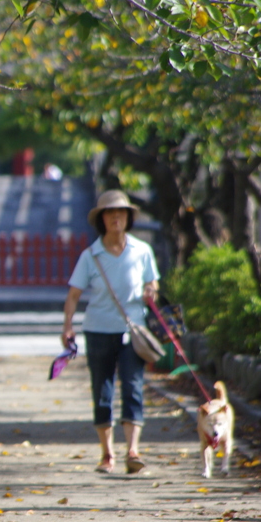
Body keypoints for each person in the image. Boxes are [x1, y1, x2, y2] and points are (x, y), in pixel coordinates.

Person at [61, 189, 160, 475]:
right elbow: (74, 294)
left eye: (121, 212)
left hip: (134, 331)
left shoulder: (142, 251)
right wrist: (68, 325)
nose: (116, 217)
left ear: (128, 217)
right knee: (102, 391)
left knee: (133, 387)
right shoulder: (91, 255)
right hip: (98, 330)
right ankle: (107, 454)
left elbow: (152, 282)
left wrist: (150, 291)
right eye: (109, 213)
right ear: (101, 219)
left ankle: (133, 450)